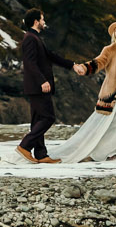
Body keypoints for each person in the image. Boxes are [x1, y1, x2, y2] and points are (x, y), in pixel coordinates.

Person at [48, 19, 116, 164]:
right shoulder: (110, 49)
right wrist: (84, 68)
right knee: (114, 121)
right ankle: (100, 152)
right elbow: (99, 62)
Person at [15, 8, 86, 164]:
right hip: (38, 86)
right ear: (36, 21)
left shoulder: (36, 38)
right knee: (48, 117)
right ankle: (24, 146)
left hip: (36, 86)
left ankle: (41, 154)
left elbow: (51, 56)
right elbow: (30, 63)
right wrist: (42, 81)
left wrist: (73, 65)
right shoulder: (30, 39)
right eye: (42, 19)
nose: (44, 22)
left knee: (37, 120)